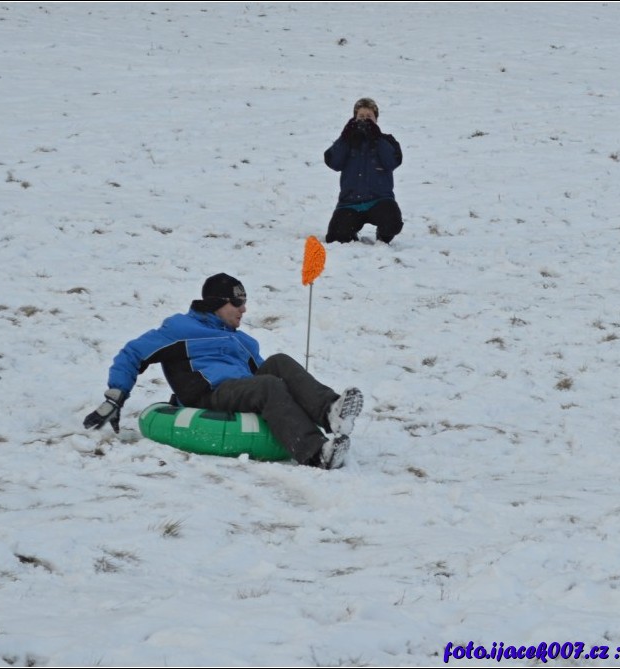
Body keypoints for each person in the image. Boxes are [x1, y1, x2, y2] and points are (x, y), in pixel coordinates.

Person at [83, 273, 363, 469]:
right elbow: (133, 353)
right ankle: (317, 454)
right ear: (217, 304)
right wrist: (115, 396)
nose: (244, 309)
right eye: (237, 302)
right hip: (209, 394)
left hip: (241, 392)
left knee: (279, 362)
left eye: (244, 301)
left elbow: (273, 378)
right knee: (267, 384)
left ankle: (330, 412)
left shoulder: (241, 340)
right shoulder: (180, 329)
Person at [324, 97, 404, 244]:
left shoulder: (387, 140)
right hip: (350, 203)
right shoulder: (347, 141)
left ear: (376, 119)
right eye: (361, 116)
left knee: (392, 223)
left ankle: (383, 237)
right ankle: (351, 234)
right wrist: (344, 137)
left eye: (369, 116)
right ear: (354, 119)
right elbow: (334, 162)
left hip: (380, 200)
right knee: (335, 237)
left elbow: (392, 162)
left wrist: (377, 138)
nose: (365, 120)